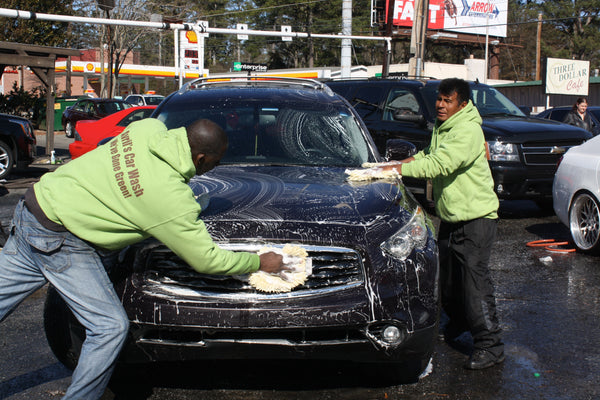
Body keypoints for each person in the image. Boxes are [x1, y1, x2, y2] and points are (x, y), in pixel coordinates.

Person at [0, 118, 287, 399]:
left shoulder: (147, 128)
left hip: (34, 206)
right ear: (200, 158)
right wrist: (259, 262)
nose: (218, 166)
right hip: (61, 238)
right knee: (109, 328)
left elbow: (129, 176)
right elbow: (207, 261)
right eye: (216, 160)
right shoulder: (171, 199)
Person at [381, 78, 504, 370]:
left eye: (447, 101)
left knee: (475, 284)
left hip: (476, 219)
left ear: (462, 104)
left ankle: (491, 344)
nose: (440, 104)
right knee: (447, 283)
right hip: (452, 216)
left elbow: (441, 164)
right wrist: (408, 161)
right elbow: (429, 155)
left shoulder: (467, 130)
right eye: (439, 99)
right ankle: (460, 323)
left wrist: (398, 168)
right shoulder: (444, 126)